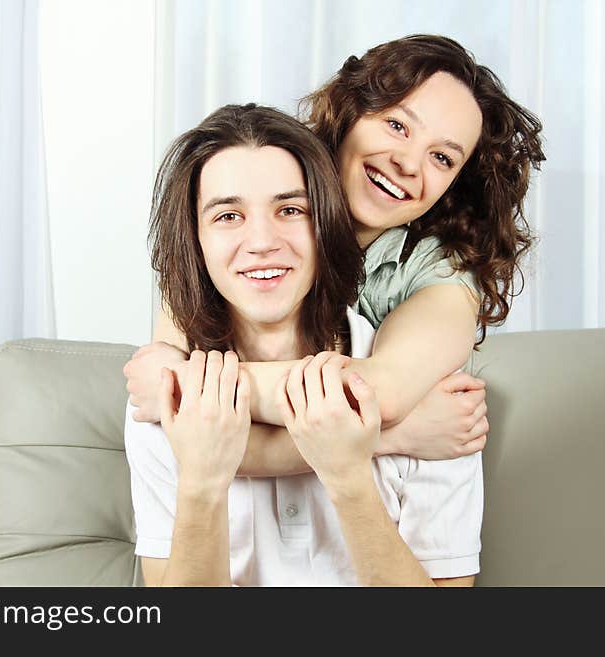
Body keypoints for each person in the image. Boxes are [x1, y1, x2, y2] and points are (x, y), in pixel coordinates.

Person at [124, 34, 544, 472]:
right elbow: (185, 438)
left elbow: (380, 393)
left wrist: (188, 385)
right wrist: (394, 435)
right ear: (350, 112)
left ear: (457, 183)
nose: (408, 163)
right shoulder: (259, 187)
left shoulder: (441, 275)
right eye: (397, 126)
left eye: (441, 157)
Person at [125, 103, 482, 586]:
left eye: (290, 210)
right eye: (228, 216)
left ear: (327, 225)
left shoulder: (434, 401)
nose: (262, 241)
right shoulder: (161, 403)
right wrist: (203, 485)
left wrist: (349, 475)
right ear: (196, 241)